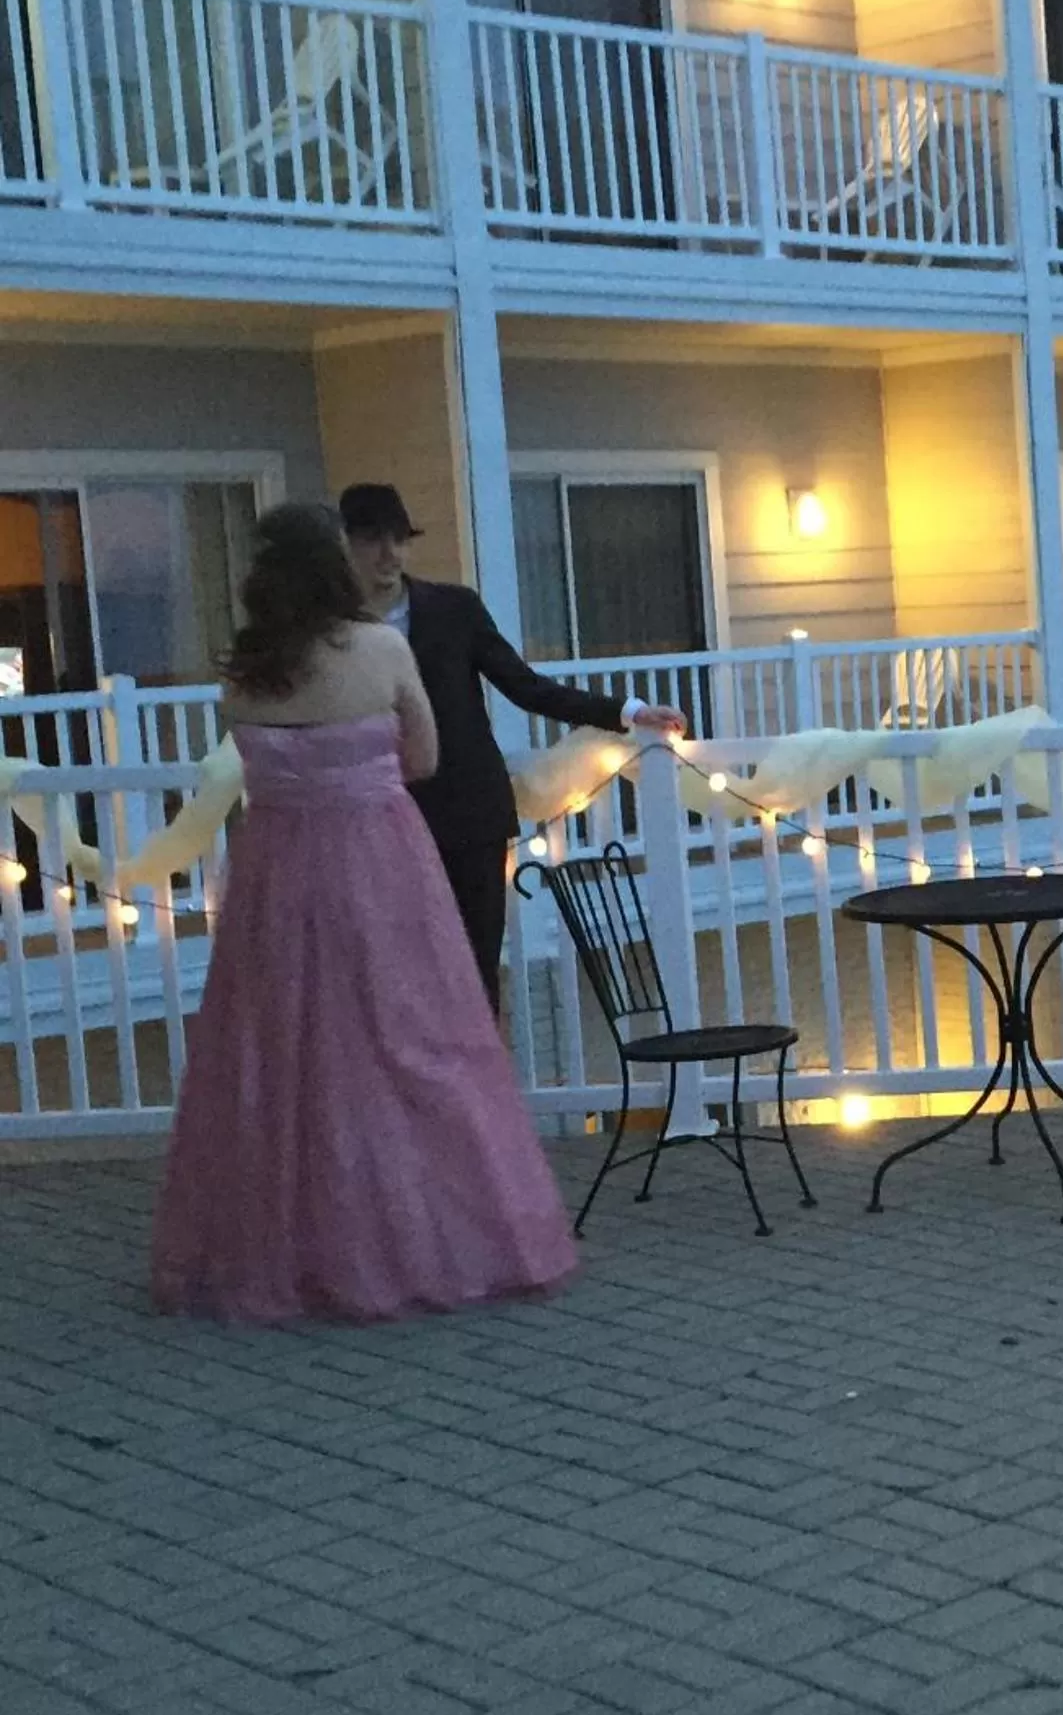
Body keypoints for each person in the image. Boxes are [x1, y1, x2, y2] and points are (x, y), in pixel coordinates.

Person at [152, 504, 579, 1323]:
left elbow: (249, 767)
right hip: (380, 865)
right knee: (411, 1039)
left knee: (284, 1053)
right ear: (334, 568)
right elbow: (424, 757)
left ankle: (295, 1245)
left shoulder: (242, 673)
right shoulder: (383, 648)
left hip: (277, 873)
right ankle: (434, 1235)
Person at [337, 483, 684, 1007]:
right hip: (377, 820)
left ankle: (481, 1085)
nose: (389, 554)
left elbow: (524, 685)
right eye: (371, 540)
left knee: (474, 969)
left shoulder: (454, 609)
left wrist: (627, 713)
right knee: (396, 975)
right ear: (345, 544)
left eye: (399, 539)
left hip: (468, 814)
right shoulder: (333, 628)